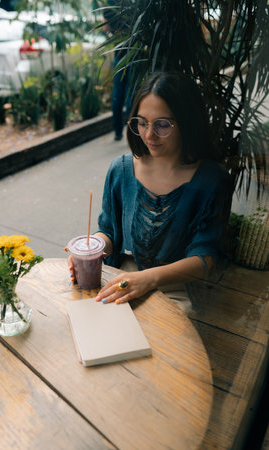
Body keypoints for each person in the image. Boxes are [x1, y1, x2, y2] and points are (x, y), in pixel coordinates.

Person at [69, 71, 233, 313]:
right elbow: (109, 233)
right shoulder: (121, 170)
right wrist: (91, 249)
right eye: (141, 122)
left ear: (187, 122)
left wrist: (149, 279)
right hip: (121, 278)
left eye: (162, 125)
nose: (148, 135)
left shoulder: (211, 180)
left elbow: (206, 258)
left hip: (175, 288)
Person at [103, 0, 133, 141]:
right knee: (131, 90)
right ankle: (133, 130)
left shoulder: (109, 4)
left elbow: (106, 29)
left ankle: (117, 131)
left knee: (118, 91)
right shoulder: (132, 3)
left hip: (119, 52)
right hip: (135, 51)